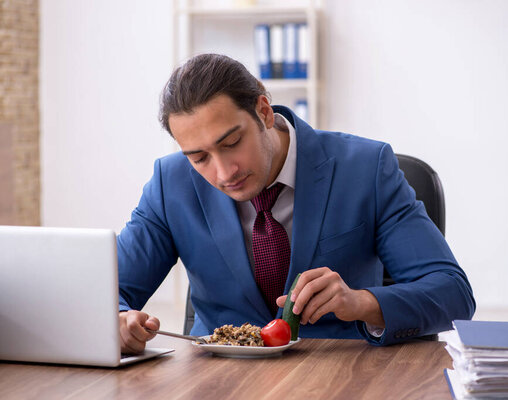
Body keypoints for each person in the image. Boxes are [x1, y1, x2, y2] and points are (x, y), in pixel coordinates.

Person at [118, 53, 475, 354]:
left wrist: (361, 302)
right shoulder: (171, 183)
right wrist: (118, 321)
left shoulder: (367, 168)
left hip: (340, 376)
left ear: (264, 111)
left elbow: (453, 293)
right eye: (199, 158)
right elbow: (109, 291)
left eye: (231, 143)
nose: (224, 172)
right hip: (218, 381)